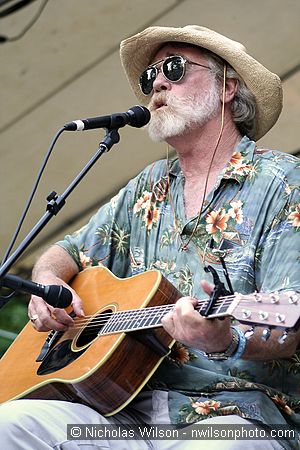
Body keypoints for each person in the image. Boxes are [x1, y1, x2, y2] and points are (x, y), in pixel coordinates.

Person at [0, 25, 299, 450]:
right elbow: (65, 251)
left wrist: (225, 339)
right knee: (8, 424)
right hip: (122, 413)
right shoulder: (149, 185)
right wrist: (50, 285)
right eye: (150, 77)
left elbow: (291, 320)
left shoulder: (283, 184)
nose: (157, 83)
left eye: (174, 69)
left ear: (228, 87)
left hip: (234, 414)